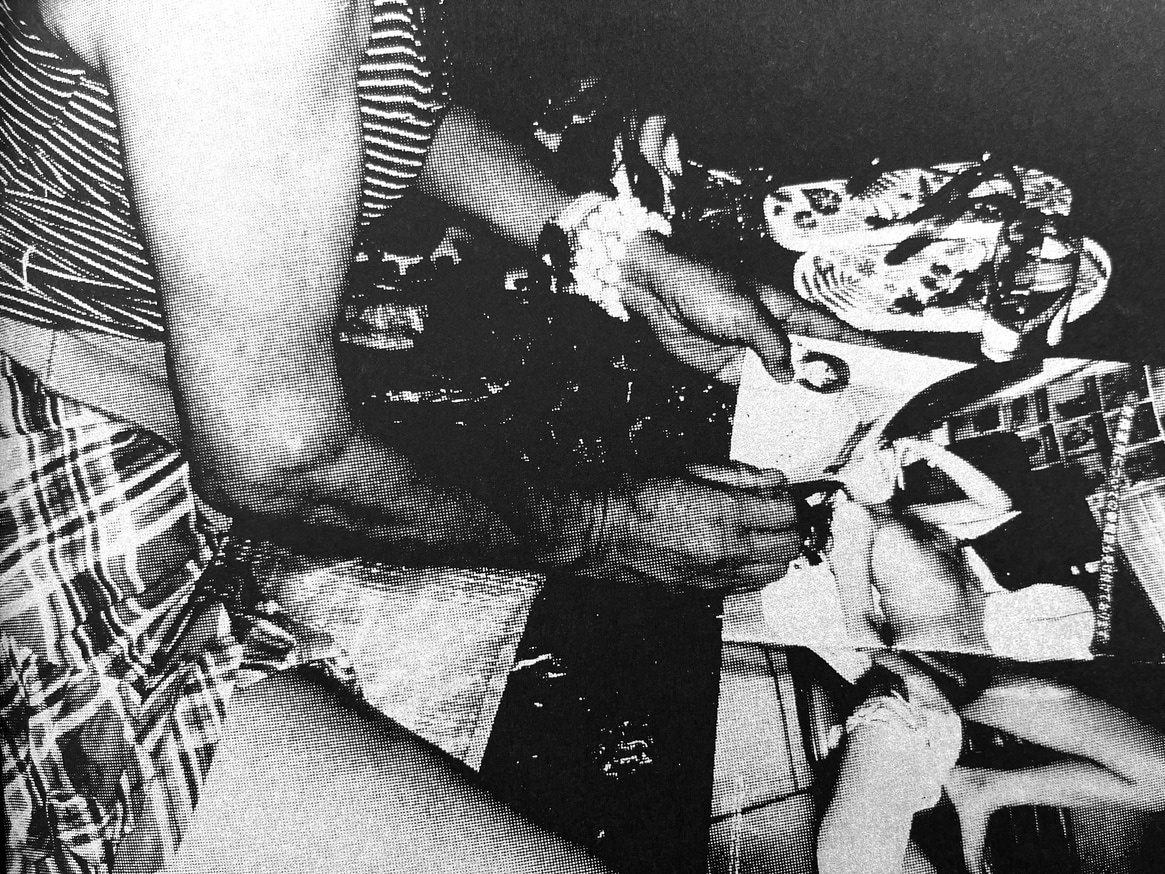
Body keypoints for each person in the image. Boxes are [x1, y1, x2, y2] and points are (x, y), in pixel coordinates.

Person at [0, 1, 869, 871]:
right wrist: (608, 528)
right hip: (54, 480)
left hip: (182, 428)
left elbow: (360, 97)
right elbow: (277, 464)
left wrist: (615, 255)